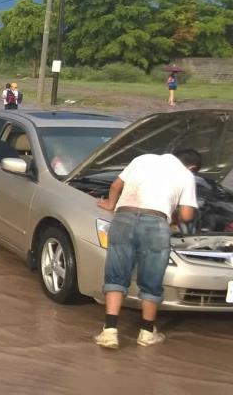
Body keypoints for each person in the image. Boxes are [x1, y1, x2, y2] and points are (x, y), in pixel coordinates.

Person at [93, 149, 201, 349]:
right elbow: (186, 215)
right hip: (156, 224)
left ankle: (109, 332)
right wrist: (174, 216)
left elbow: (116, 185)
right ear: (192, 167)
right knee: (151, 281)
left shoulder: (143, 159)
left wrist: (110, 203)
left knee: (116, 276)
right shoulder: (186, 175)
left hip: (124, 217)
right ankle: (147, 333)